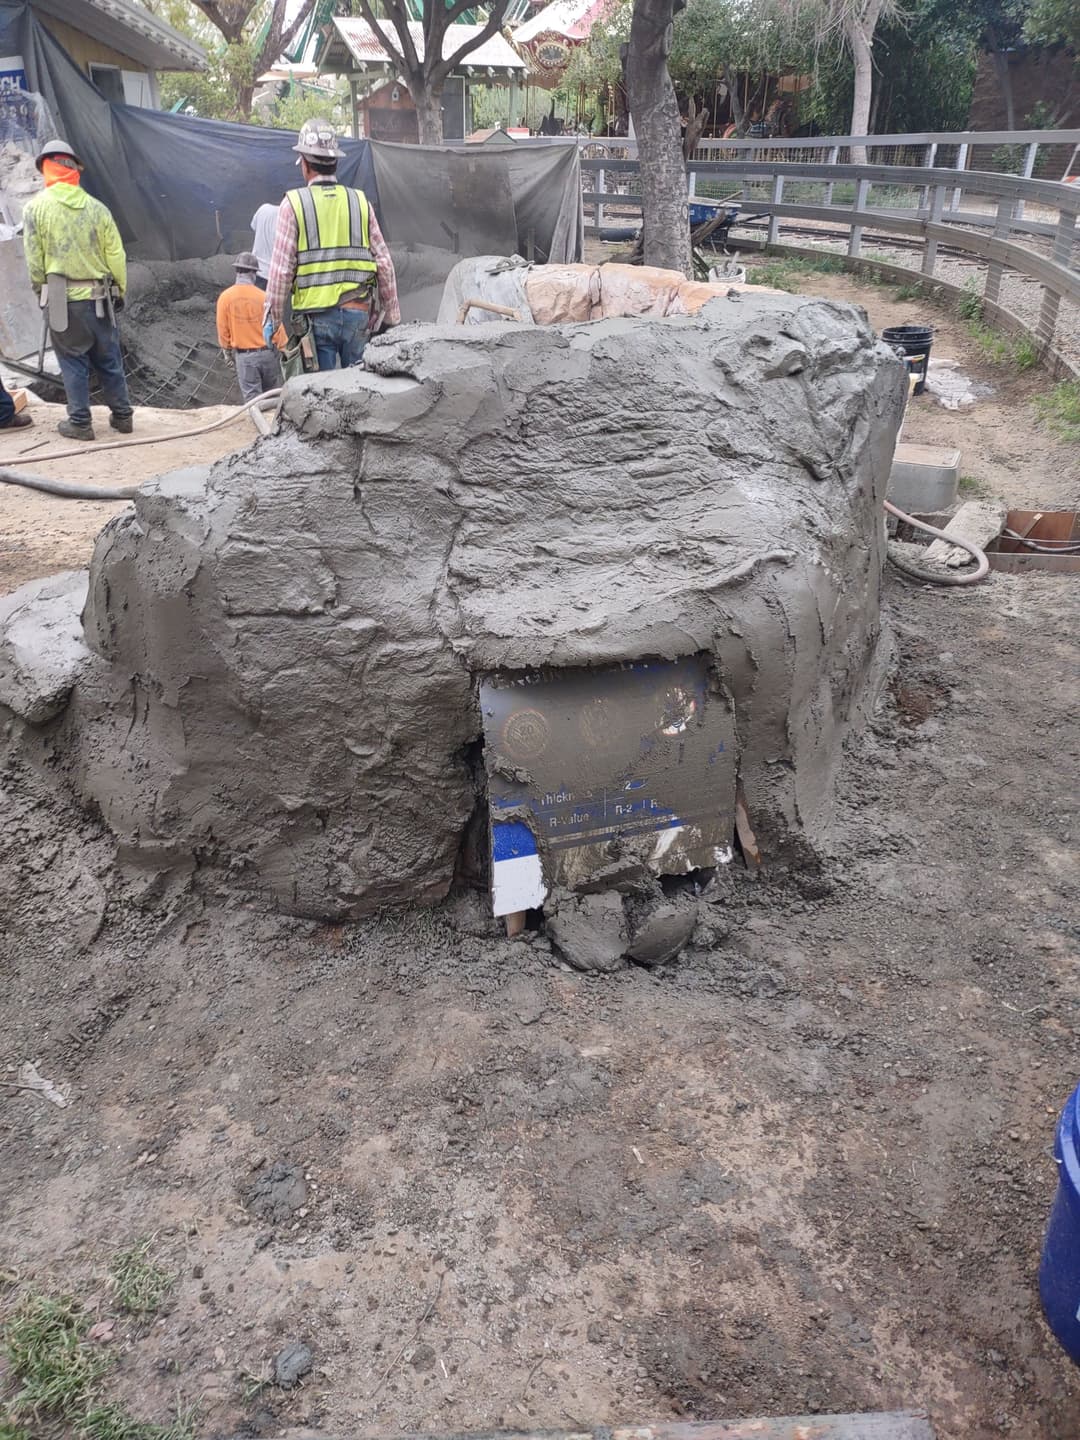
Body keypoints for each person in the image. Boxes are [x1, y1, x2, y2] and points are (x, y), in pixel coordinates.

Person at [265, 118, 399, 372]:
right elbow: (384, 263)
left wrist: (272, 318)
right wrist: (391, 315)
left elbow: (281, 270)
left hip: (316, 322)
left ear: (304, 164)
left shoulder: (293, 205)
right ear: (336, 161)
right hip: (357, 314)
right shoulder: (360, 202)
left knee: (322, 394)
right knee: (360, 389)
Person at [21, 139, 133, 442]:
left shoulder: (35, 209)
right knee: (108, 359)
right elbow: (116, 255)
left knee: (73, 361)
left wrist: (39, 291)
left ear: (46, 168)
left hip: (61, 297)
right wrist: (119, 289)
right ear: (75, 170)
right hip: (99, 297)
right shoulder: (98, 210)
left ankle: (80, 423)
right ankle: (122, 417)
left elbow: (35, 260)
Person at [217, 251, 282, 401]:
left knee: (254, 403)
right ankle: (274, 424)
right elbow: (276, 325)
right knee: (273, 398)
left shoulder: (225, 298)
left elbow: (223, 329)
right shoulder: (263, 296)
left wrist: (227, 352)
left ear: (237, 272)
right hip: (268, 355)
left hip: (245, 358)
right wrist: (284, 348)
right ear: (254, 273)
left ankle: (258, 424)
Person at [250, 200, 279, 290]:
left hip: (254, 268)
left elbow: (253, 226)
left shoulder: (263, 208)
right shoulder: (286, 215)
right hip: (273, 273)